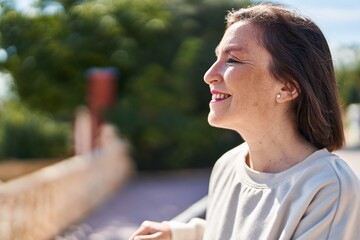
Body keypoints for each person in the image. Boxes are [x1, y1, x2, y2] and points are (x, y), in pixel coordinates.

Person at [129, 3, 360, 240]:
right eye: (217, 57)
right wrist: (178, 233)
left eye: (233, 60)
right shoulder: (228, 166)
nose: (209, 75)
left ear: (287, 86)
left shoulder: (328, 188)